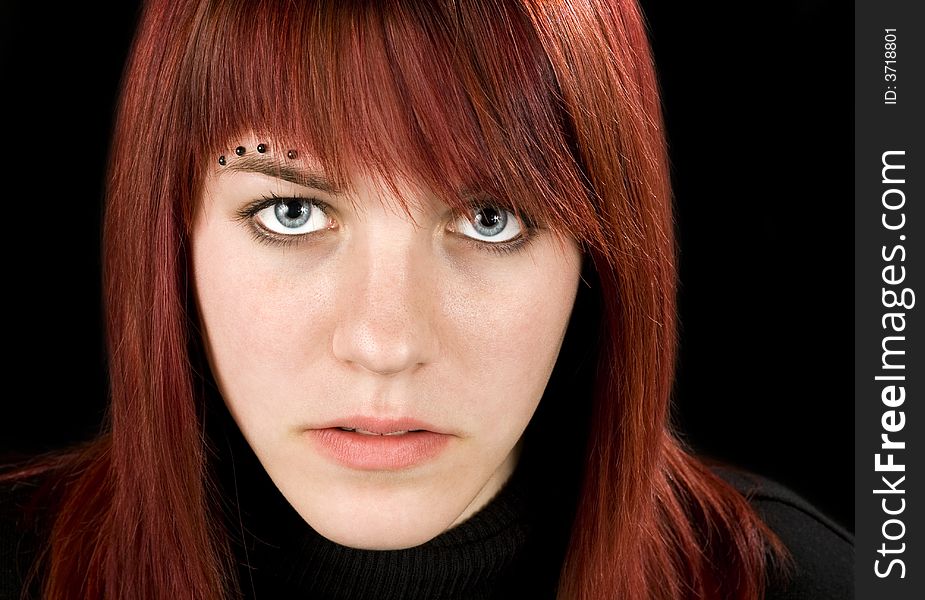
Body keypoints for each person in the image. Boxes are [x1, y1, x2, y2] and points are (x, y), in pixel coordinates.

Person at [0, 1, 853, 599]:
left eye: (490, 219)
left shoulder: (804, 582)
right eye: (290, 212)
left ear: (598, 261)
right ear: (171, 234)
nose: (383, 343)